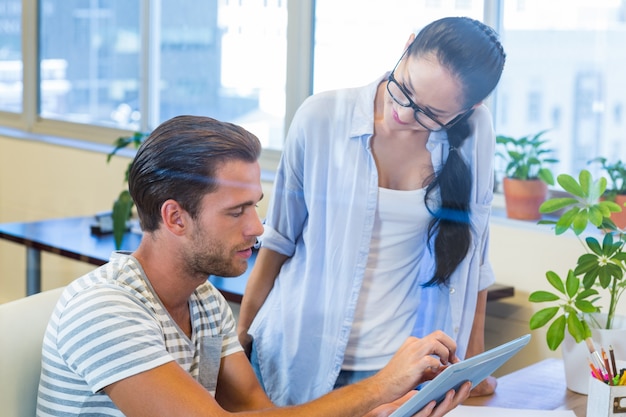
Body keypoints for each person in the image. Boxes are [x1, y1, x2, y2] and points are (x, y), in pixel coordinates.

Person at [35, 115, 471, 417]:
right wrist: (381, 384)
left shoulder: (201, 297)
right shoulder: (104, 309)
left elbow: (255, 410)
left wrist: (375, 410)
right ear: (175, 218)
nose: (257, 226)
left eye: (255, 207)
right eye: (236, 211)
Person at [237, 16, 506, 406]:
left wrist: (475, 363)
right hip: (299, 351)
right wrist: (239, 344)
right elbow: (279, 241)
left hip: (400, 365)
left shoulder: (476, 131)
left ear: (471, 108)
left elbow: (474, 256)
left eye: (431, 114)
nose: (405, 115)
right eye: (405, 89)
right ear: (407, 45)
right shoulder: (321, 117)